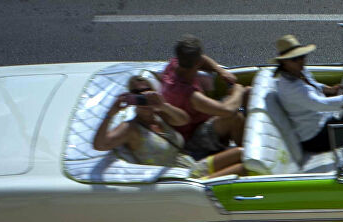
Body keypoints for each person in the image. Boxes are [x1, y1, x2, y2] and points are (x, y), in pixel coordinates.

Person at [93, 76, 246, 179]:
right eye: (137, 94)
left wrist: (163, 106)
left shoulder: (160, 116)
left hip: (193, 165)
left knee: (243, 154)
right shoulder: (131, 128)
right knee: (242, 169)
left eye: (147, 92)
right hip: (184, 179)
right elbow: (100, 144)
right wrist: (111, 113)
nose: (143, 97)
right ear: (131, 99)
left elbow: (183, 120)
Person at [271, 33, 343, 155]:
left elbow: (313, 85)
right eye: (294, 59)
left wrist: (330, 89)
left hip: (326, 120)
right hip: (316, 137)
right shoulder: (291, 88)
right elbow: (320, 104)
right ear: (284, 63)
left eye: (302, 56)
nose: (301, 61)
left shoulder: (298, 71)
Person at [158, 36, 246, 159]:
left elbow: (202, 59)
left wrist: (220, 70)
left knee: (247, 93)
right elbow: (226, 110)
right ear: (197, 63)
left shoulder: (174, 64)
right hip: (193, 137)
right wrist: (238, 91)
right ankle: (245, 157)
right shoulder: (190, 95)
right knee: (236, 117)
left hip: (200, 116)